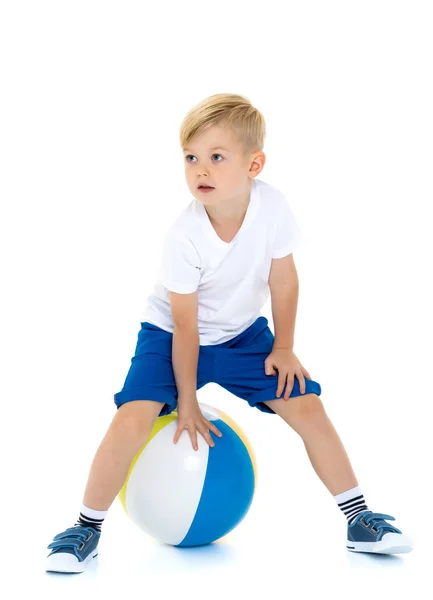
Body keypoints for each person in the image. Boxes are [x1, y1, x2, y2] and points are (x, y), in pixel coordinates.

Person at [45, 93, 413, 573]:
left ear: (254, 164)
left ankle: (360, 519)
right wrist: (188, 402)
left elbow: (284, 281)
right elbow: (183, 326)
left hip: (241, 337)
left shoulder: (273, 207)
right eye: (192, 158)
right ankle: (84, 529)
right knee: (132, 416)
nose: (201, 169)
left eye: (217, 157)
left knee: (308, 405)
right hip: (171, 336)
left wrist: (283, 347)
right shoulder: (184, 236)